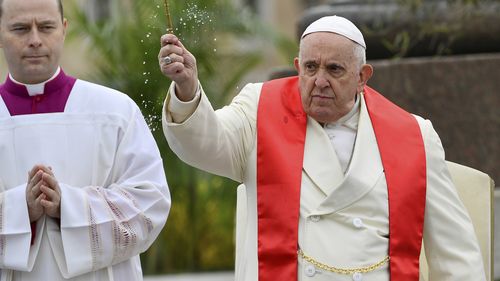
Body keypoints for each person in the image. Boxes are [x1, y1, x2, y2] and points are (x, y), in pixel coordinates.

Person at [158, 15, 485, 281]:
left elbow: (456, 254)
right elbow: (206, 144)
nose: (320, 81)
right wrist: (187, 90)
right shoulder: (260, 109)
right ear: (298, 66)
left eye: (334, 70)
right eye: (311, 68)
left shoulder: (415, 135)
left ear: (362, 77)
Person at [0, 0, 171, 280]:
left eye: (46, 27)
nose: (34, 40)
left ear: (63, 30)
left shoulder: (115, 111)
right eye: (20, 29)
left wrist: (67, 206)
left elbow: (151, 204)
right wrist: (21, 210)